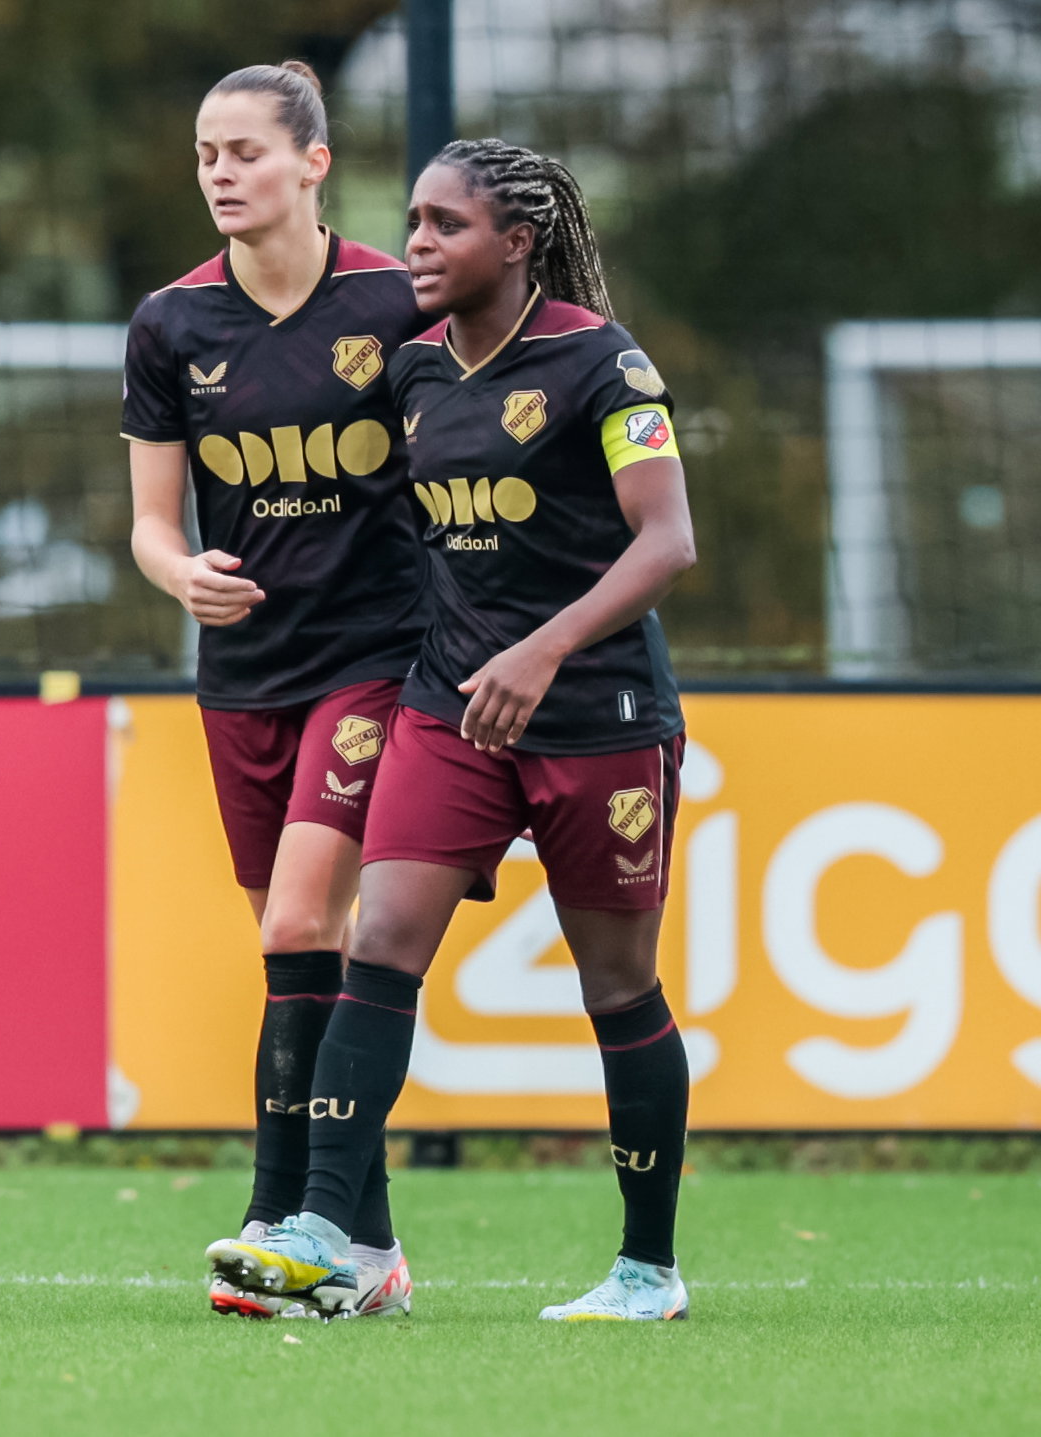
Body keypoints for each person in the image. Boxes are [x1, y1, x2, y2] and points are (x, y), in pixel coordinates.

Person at [206, 137, 699, 1321]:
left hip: (597, 714)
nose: (417, 244)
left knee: (618, 986)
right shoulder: (415, 371)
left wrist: (544, 649)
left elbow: (668, 541)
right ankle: (334, 1236)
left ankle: (647, 1270)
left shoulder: (606, 364)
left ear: (517, 243)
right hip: (450, 708)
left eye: (445, 225)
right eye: (414, 222)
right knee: (379, 941)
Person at [122, 61, 432, 1320]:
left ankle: (276, 1214)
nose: (221, 173)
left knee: (300, 920)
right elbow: (151, 521)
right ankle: (368, 1249)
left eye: (245, 151)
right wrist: (179, 573)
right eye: (207, 154)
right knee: (299, 951)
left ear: (314, 163)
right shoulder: (171, 324)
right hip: (243, 674)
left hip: (375, 658)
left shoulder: (397, 302)